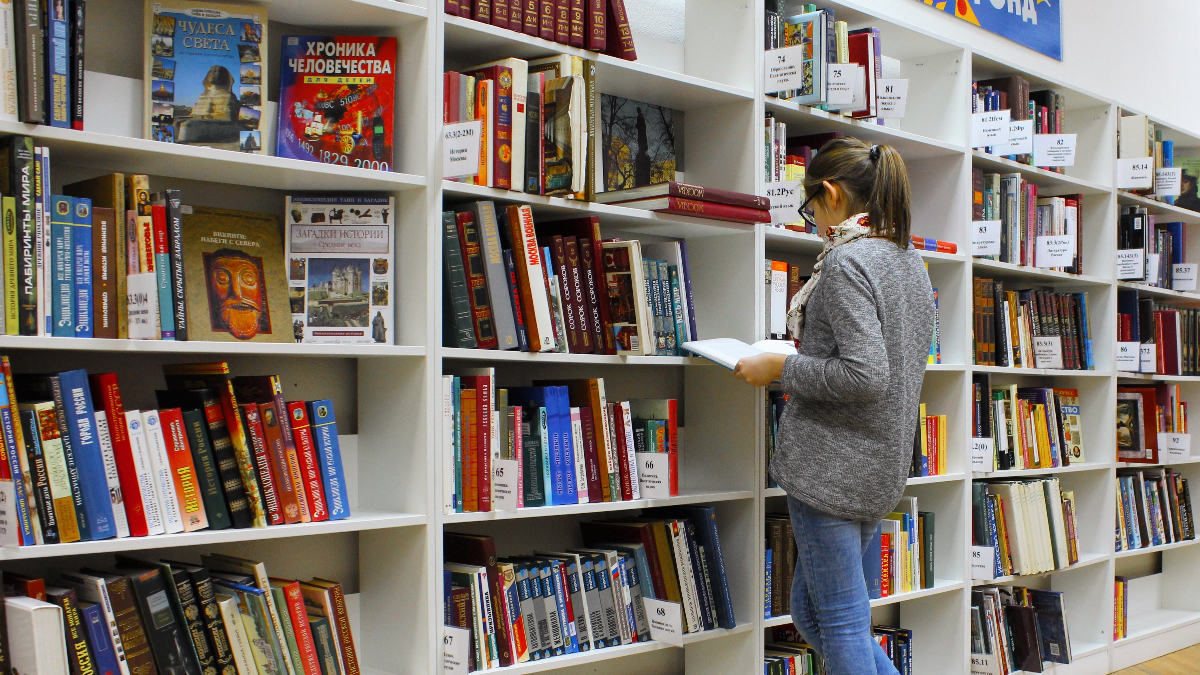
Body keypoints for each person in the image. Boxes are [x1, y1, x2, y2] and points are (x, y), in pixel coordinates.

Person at [734, 139, 934, 675]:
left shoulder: (847, 262)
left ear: (829, 194)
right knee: (813, 611)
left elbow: (866, 375)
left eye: (810, 208)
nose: (812, 221)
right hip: (879, 464)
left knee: (841, 621)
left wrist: (779, 369)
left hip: (832, 466)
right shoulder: (907, 258)